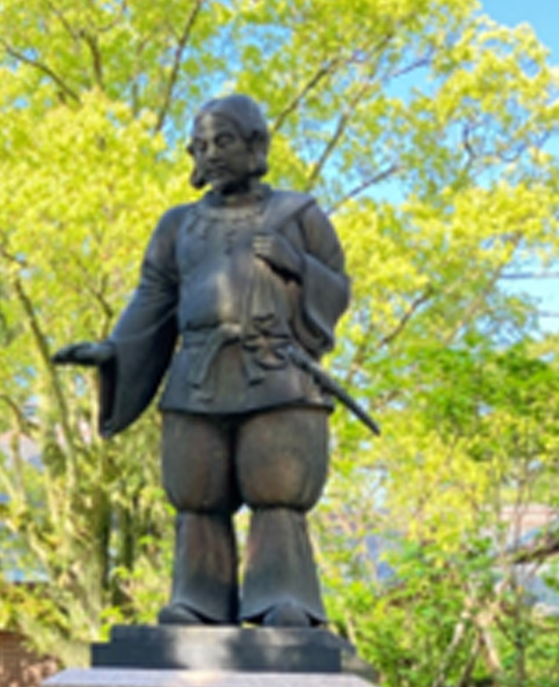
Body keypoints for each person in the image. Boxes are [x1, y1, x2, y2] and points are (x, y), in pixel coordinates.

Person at [52, 94, 352, 628]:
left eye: (224, 141)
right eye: (202, 145)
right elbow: (152, 299)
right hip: (197, 373)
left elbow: (339, 289)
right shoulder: (178, 226)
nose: (212, 154)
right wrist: (115, 350)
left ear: (256, 145)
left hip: (274, 370)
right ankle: (199, 599)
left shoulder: (298, 215)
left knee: (276, 488)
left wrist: (297, 265)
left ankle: (285, 597)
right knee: (196, 491)